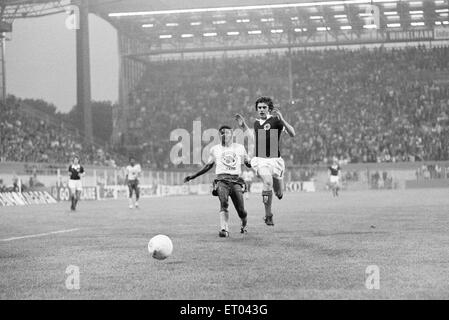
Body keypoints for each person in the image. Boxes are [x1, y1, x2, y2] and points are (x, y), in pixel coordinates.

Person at [235, 96, 295, 226]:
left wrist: (283, 119)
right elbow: (253, 139)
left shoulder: (276, 121)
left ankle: (276, 192)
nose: (261, 109)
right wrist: (244, 126)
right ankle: (268, 215)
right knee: (267, 182)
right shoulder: (257, 123)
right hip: (261, 160)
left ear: (269, 108)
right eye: (259, 108)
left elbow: (292, 133)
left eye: (264, 107)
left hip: (276, 161)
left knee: (279, 193)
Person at [184, 125, 251, 237]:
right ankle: (224, 229)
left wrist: (258, 164)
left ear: (232, 134)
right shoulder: (215, 149)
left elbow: (249, 163)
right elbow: (208, 166)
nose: (225, 134)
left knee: (241, 211)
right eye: (222, 133)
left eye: (227, 132)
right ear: (219, 135)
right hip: (221, 180)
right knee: (223, 202)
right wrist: (193, 176)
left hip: (236, 181)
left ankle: (244, 225)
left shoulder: (240, 148)